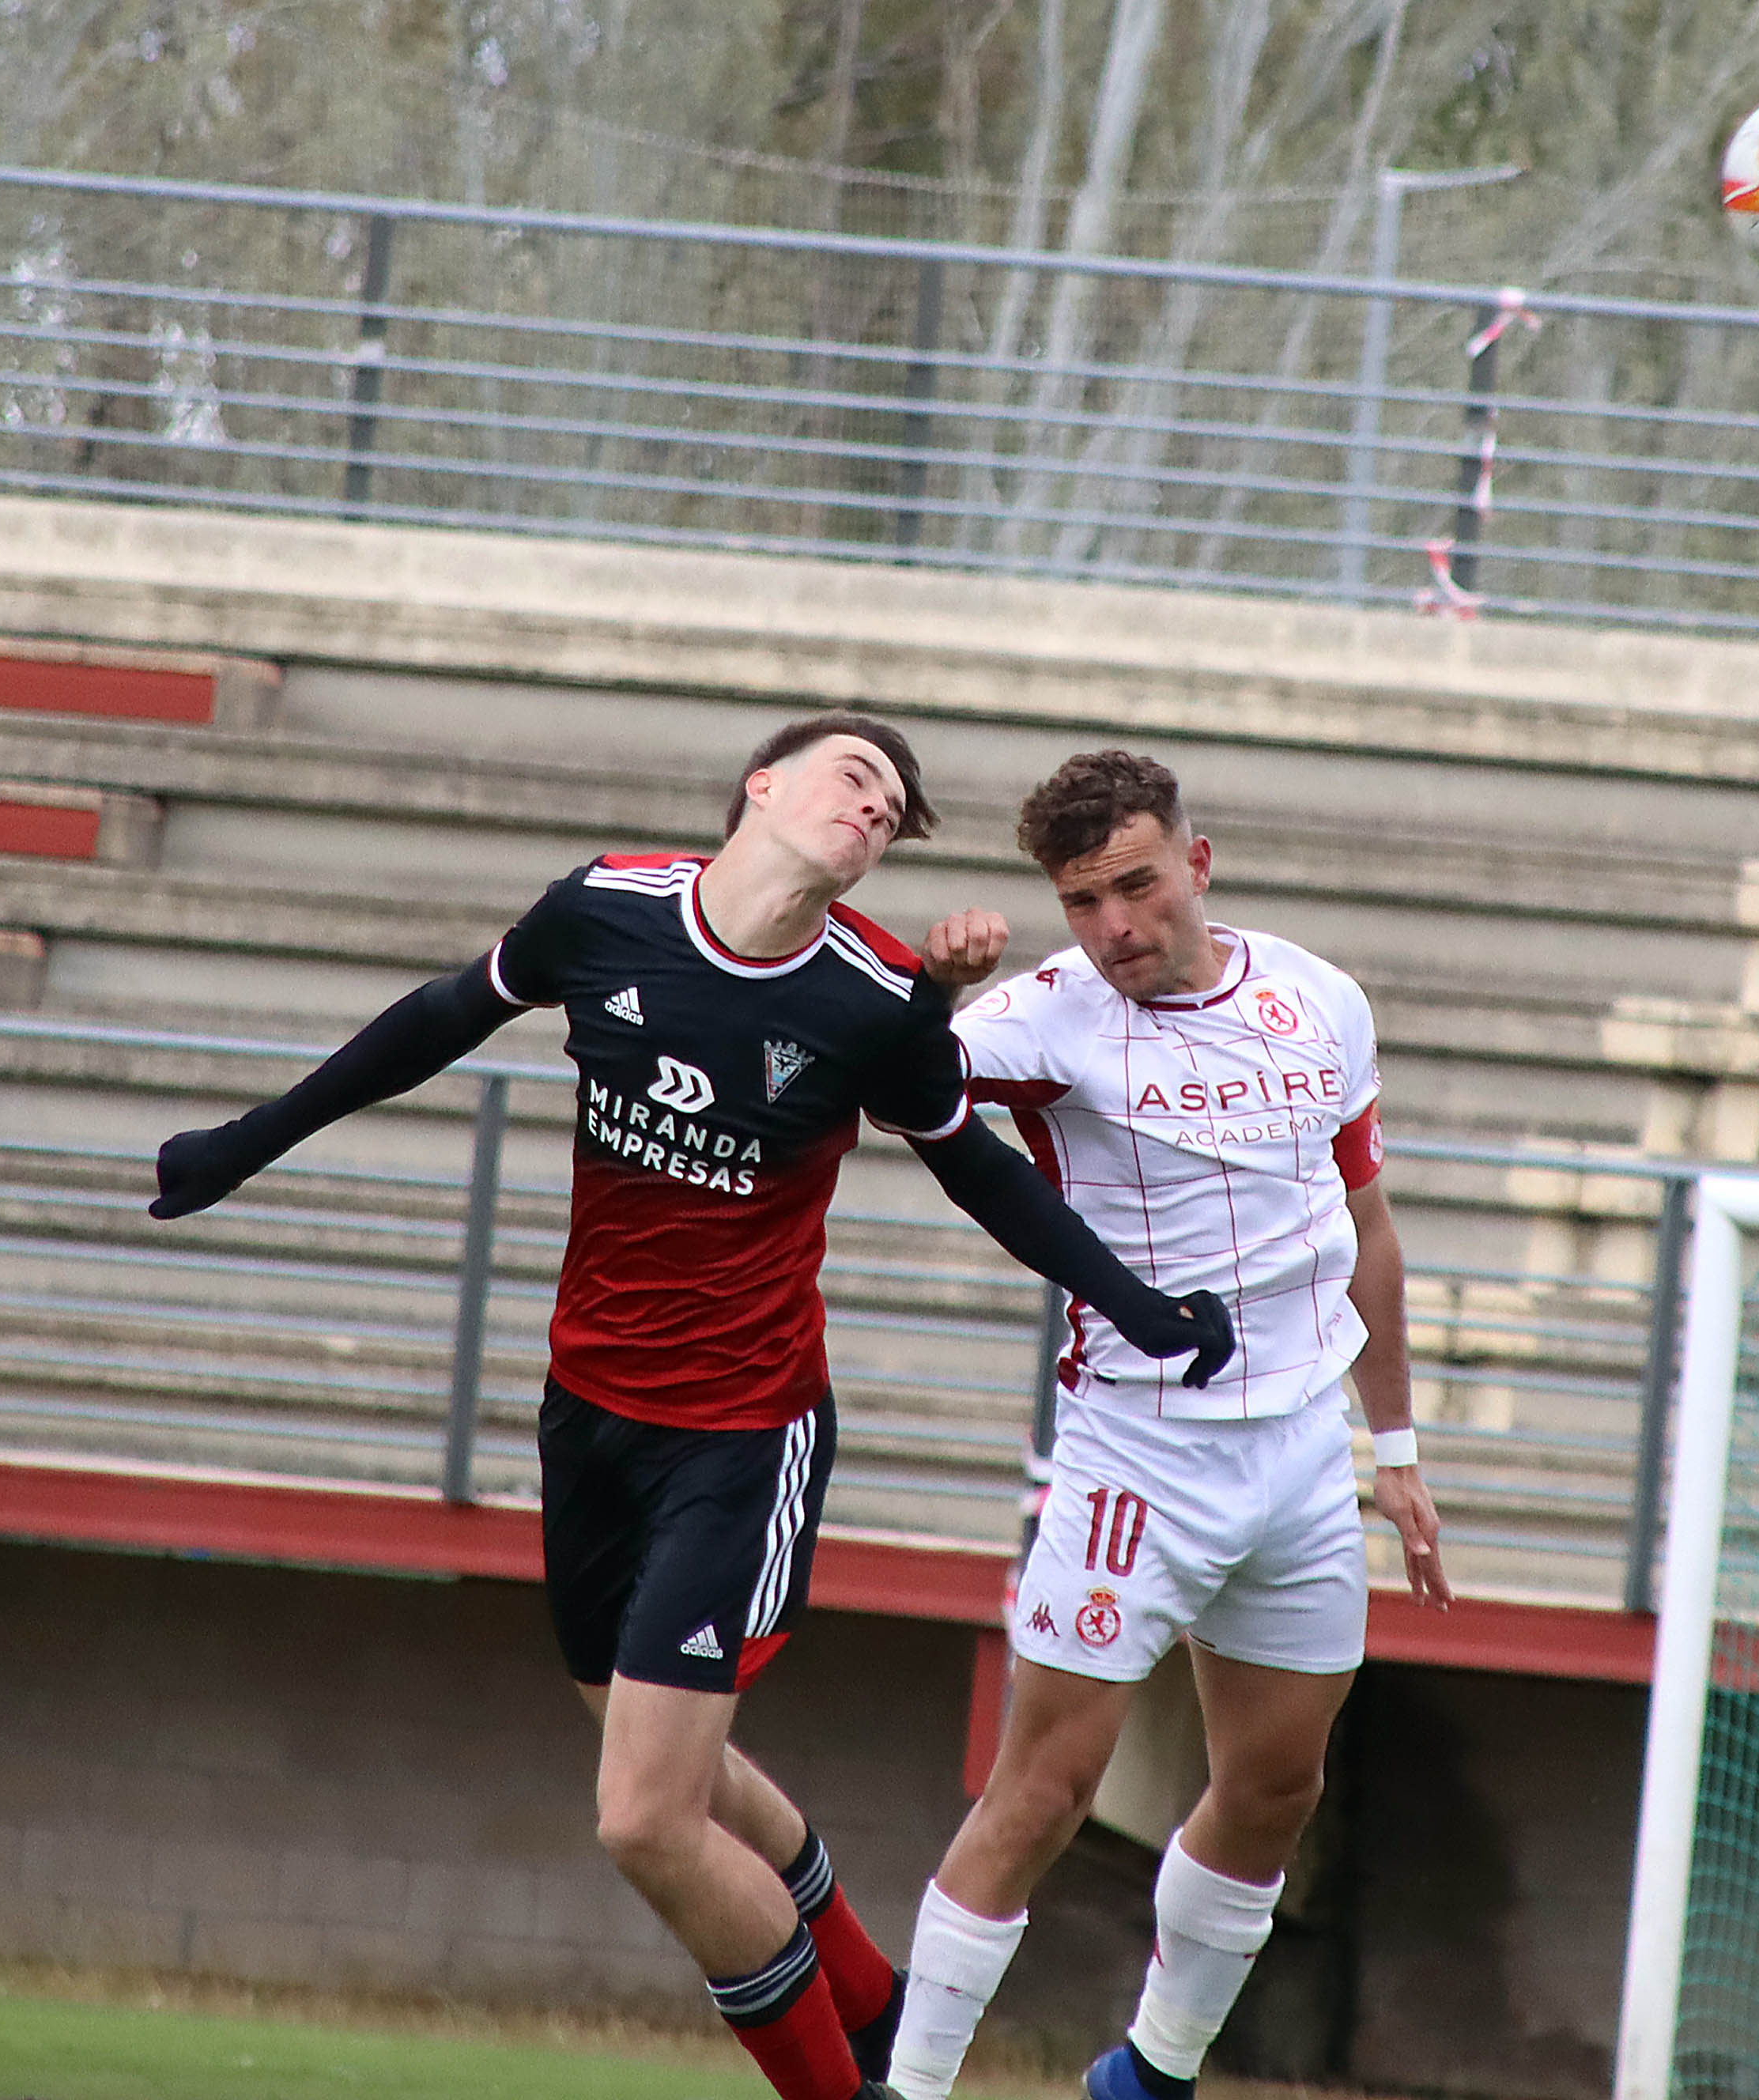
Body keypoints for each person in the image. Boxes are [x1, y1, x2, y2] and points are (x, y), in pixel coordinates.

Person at [146, 714, 1233, 2100]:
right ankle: (874, 1994)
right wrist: (242, 1146)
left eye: (893, 811)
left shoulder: (876, 993)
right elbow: (433, 1021)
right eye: (855, 778)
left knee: (644, 1816)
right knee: (657, 1749)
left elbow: (981, 1174)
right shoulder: (603, 909)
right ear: (761, 787)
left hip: (741, 1435)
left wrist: (1137, 1306)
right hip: (586, 1413)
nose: (873, 811)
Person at [881, 748, 1445, 2100]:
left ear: (1197, 862)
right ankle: (902, 2088)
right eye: (1082, 901)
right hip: (1137, 1454)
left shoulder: (1319, 1000)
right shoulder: (1040, 1021)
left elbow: (1363, 1223)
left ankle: (1151, 2075)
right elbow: (889, 1082)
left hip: (1306, 1453)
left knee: (1272, 1790)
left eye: (1133, 885)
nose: (1113, 926)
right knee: (1041, 1791)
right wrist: (931, 987)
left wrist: (1399, 1452)